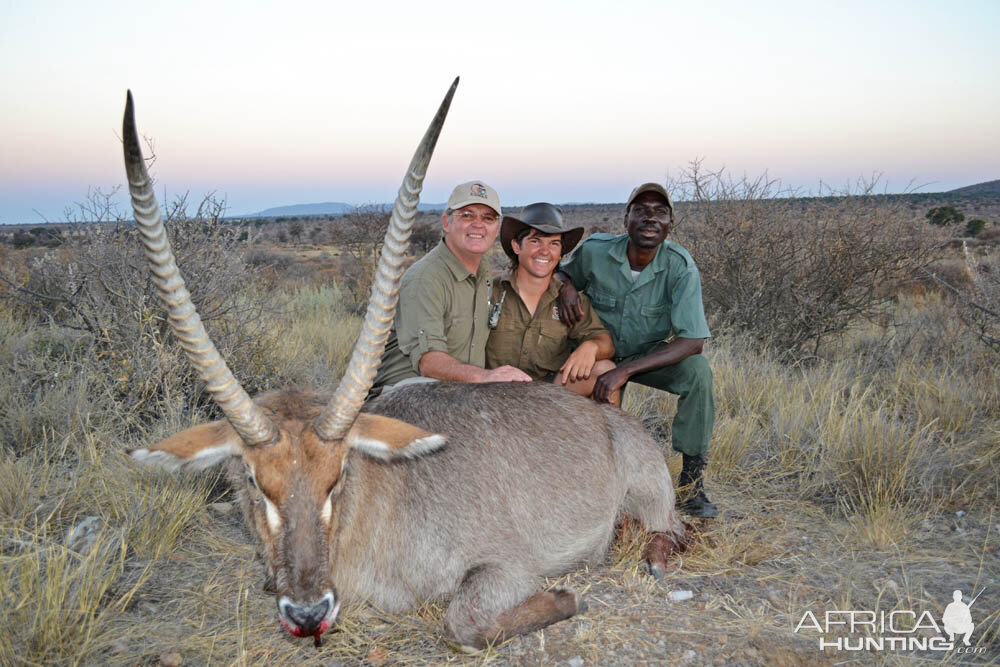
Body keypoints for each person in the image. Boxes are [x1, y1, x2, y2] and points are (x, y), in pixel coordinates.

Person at [556, 183, 718, 518]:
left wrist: (626, 370)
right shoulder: (596, 251)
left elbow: (693, 341)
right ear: (626, 218)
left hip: (645, 357)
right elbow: (558, 271)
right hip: (597, 352)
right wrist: (567, 285)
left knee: (698, 373)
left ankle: (692, 481)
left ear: (670, 223)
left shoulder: (679, 266)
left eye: (660, 212)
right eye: (641, 210)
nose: (650, 218)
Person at [372, 181, 533, 389]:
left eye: (488, 218)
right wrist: (485, 377)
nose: (478, 224)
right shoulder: (425, 279)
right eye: (467, 215)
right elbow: (428, 362)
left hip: (459, 391)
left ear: (497, 228)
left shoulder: (483, 272)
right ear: (446, 222)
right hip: (405, 395)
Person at [486, 203, 619, 404]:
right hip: (492, 396)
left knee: (605, 371)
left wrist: (591, 346)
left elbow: (605, 342)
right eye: (535, 241)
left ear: (561, 253)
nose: (545, 251)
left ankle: (608, 436)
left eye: (554, 244)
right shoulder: (490, 292)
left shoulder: (571, 301)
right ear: (516, 246)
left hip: (548, 399)